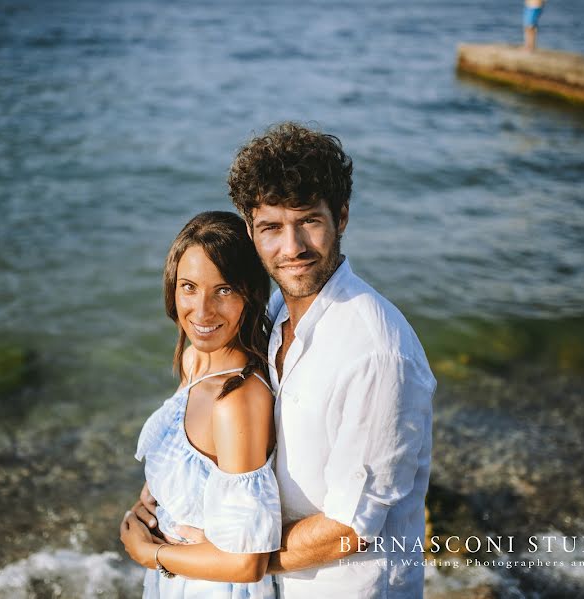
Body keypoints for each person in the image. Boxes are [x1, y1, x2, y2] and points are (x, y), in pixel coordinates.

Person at [130, 123, 436, 598]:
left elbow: (351, 528)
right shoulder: (272, 314)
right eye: (272, 227)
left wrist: (217, 559)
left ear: (342, 217)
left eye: (309, 221)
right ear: (250, 230)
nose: (291, 248)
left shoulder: (376, 352)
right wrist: (166, 505)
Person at [119, 211, 281, 598]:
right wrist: (151, 501)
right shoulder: (194, 361)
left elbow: (248, 562)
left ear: (250, 293)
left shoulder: (236, 401)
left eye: (223, 290)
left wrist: (150, 553)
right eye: (189, 287)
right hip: (179, 578)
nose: (203, 311)